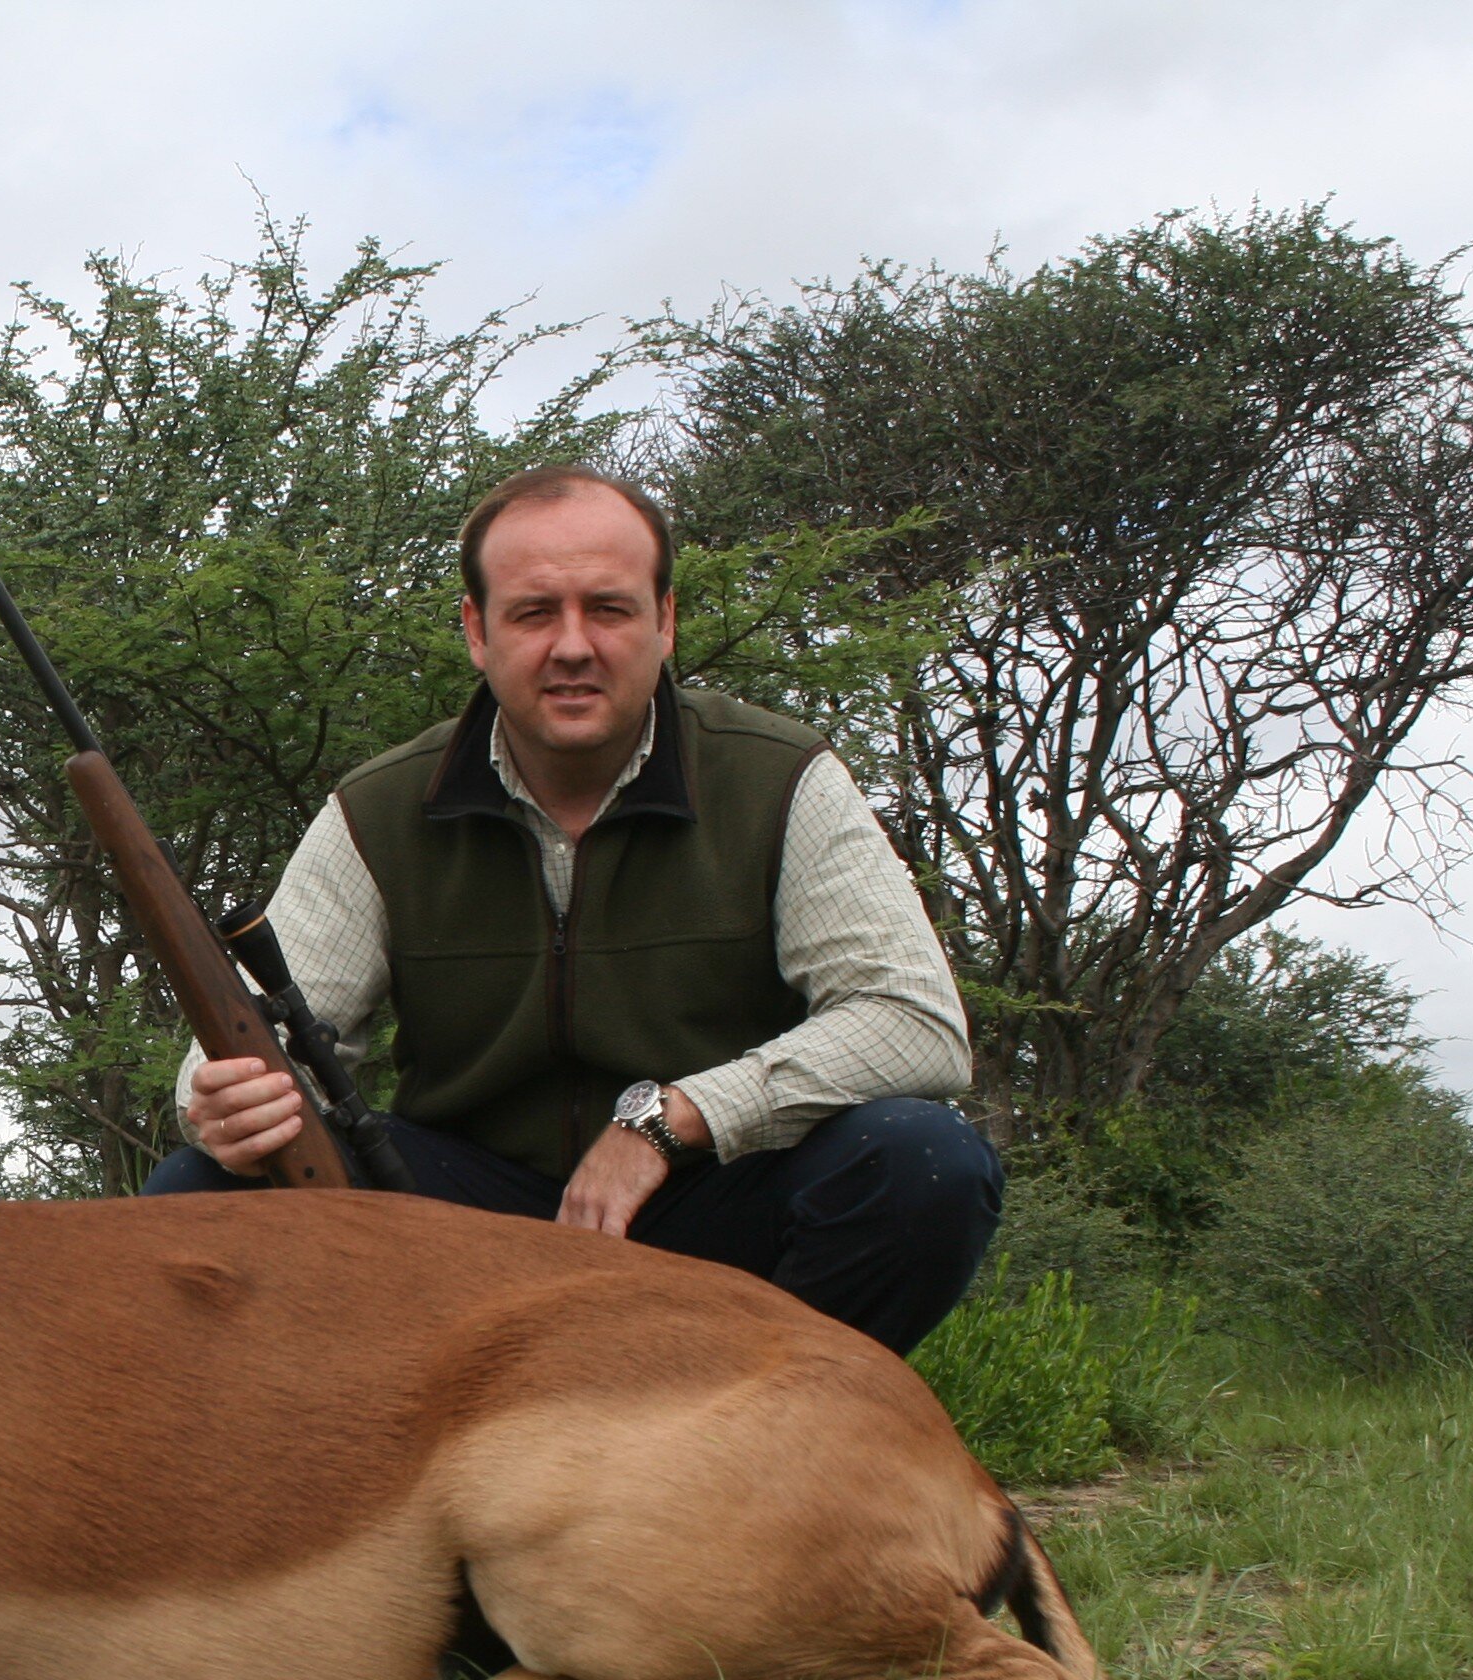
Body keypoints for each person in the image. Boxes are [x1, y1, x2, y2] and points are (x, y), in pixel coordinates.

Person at [142, 465, 998, 1355]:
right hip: (464, 1223)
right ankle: (349, 1479)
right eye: (534, 613)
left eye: (610, 609)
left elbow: (915, 1024)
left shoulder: (782, 777)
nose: (574, 645)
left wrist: (668, 1123)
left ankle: (748, 1451)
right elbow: (239, 1047)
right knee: (205, 1188)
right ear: (478, 632)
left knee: (921, 1162)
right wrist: (222, 1104)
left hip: (712, 1199)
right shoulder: (377, 807)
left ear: (665, 622)